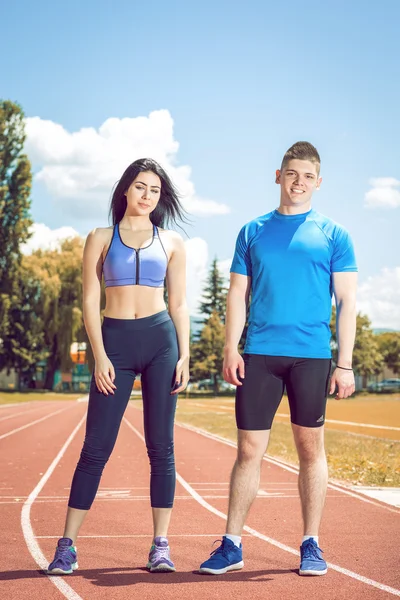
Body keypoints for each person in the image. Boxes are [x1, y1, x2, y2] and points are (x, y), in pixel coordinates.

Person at [199, 141, 357, 576]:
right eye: (292, 174)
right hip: (260, 355)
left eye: (308, 176)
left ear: (318, 182)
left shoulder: (334, 235)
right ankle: (231, 544)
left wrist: (344, 363)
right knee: (249, 449)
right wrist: (231, 346)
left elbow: (346, 301)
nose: (299, 182)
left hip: (311, 357)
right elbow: (236, 293)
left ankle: (311, 544)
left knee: (311, 448)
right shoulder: (251, 231)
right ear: (278, 176)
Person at [48, 158, 190, 575]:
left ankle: (160, 546)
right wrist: (100, 355)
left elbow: (179, 304)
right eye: (141, 187)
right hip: (115, 344)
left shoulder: (173, 243)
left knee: (161, 448)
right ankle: (67, 546)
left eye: (155, 191)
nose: (147, 197)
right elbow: (90, 301)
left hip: (162, 343)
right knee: (96, 448)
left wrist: (185, 354)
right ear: (125, 190)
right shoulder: (99, 238)